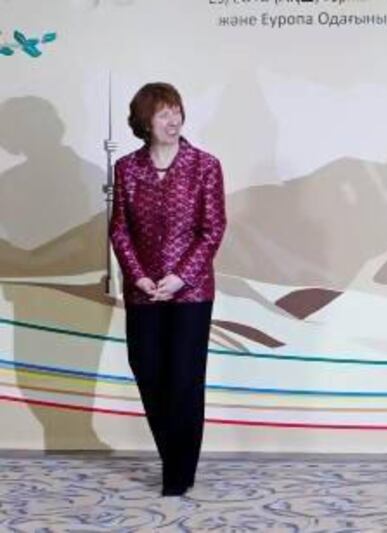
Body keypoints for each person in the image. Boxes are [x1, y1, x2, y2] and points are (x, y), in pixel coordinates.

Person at [110, 82, 226, 496]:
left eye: (176, 110)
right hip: (143, 290)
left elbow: (212, 230)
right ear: (144, 121)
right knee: (147, 368)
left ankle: (178, 473)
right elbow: (119, 229)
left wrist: (181, 277)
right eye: (162, 113)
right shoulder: (127, 168)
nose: (173, 119)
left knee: (184, 378)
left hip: (190, 292)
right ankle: (172, 454)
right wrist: (139, 276)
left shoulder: (204, 165)